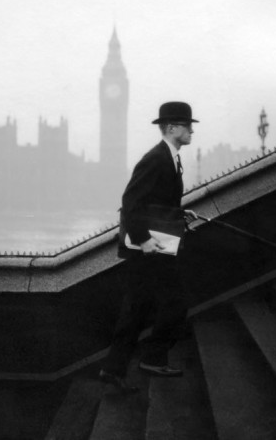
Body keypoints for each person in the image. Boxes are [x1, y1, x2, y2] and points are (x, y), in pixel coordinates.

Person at [99, 101, 198, 394]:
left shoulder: (170, 157)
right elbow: (131, 202)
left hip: (151, 246)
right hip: (151, 248)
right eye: (186, 125)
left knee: (136, 307)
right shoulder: (156, 159)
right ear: (170, 128)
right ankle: (152, 358)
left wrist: (179, 213)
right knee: (175, 301)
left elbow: (153, 200)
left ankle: (112, 369)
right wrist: (143, 239)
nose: (192, 130)